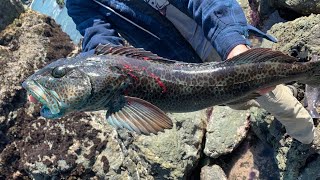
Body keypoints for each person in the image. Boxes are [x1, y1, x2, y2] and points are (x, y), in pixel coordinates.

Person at [66, 0, 316, 144]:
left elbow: (208, 2)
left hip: (216, 39)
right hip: (180, 67)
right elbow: (97, 39)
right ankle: (286, 84)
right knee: (237, 101)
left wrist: (233, 45)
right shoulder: (80, 2)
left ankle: (306, 135)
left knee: (270, 94)